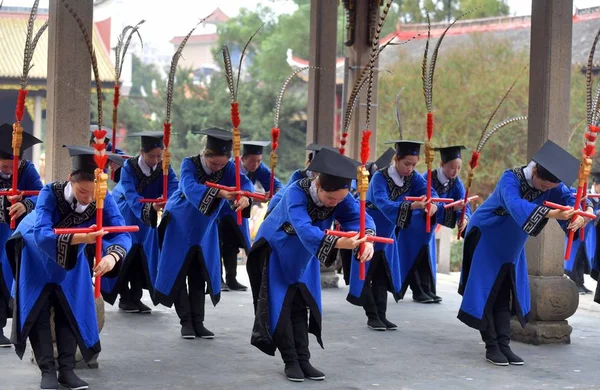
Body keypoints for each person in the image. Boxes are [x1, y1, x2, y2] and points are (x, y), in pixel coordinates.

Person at [5, 145, 131, 390]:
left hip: (71, 260)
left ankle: (67, 370)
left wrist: (112, 258)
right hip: (36, 256)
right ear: (70, 180)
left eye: (93, 194)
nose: (88, 199)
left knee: (70, 310)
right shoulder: (49, 193)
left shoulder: (103, 198)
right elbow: (41, 235)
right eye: (83, 192)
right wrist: (80, 239)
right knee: (38, 313)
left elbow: (121, 232)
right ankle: (47, 372)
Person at [247, 148, 375, 382]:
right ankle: (290, 361)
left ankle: (304, 359)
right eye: (330, 199)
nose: (333, 204)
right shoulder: (295, 193)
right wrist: (339, 241)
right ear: (318, 185)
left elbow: (358, 216)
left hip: (304, 252)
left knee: (301, 304)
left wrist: (366, 239)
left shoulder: (340, 197)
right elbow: (303, 228)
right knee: (282, 306)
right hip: (276, 249)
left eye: (339, 199)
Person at [458, 140, 590, 366]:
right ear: (536, 171)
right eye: (544, 186)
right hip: (487, 239)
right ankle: (492, 347)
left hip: (510, 246)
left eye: (550, 188)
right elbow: (514, 204)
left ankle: (504, 345)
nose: (545, 190)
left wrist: (582, 212)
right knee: (487, 294)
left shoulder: (550, 183)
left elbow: (570, 197)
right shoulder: (510, 178)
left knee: (504, 295)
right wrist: (551, 213)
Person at [154, 128, 253, 339]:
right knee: (180, 271)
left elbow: (244, 184)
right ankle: (186, 322)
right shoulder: (189, 163)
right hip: (180, 223)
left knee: (200, 273)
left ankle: (198, 321)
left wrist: (245, 197)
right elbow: (188, 187)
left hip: (205, 228)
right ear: (205, 154)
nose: (218, 167)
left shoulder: (229, 167)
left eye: (222, 164)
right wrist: (219, 192)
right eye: (214, 163)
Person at [347, 141, 438, 331]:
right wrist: (412, 205)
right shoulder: (379, 177)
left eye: (414, 164)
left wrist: (432, 202)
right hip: (369, 229)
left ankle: (382, 315)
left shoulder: (412, 177)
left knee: (382, 274)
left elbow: (429, 191)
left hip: (387, 233)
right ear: (396, 159)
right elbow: (383, 203)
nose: (410, 168)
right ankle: (372, 316)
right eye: (407, 164)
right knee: (367, 274)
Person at [101, 131, 179, 313]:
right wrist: (150, 207)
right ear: (142, 152)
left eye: (159, 156)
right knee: (126, 255)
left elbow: (174, 185)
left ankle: (135, 297)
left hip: (149, 217)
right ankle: (124, 297)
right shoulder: (129, 166)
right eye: (152, 156)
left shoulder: (164, 166)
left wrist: (167, 200)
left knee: (141, 257)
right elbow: (129, 193)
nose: (156, 160)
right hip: (127, 211)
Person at [410, 145, 473, 304]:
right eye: (452, 167)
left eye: (458, 167)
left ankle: (429, 290)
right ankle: (418, 291)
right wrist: (450, 207)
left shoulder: (456, 182)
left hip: (432, 224)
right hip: (417, 221)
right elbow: (434, 199)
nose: (455, 171)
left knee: (428, 256)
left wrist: (464, 217)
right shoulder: (427, 178)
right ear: (441, 164)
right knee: (418, 255)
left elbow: (464, 204)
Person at [0, 122, 43, 348]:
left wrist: (26, 204)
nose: (10, 170)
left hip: (15, 235)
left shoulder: (27, 169)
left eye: (12, 166)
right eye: (5, 166)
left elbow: (41, 195)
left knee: (13, 276)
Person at [218, 140, 283, 292]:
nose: (255, 164)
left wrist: (273, 194)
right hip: (220, 209)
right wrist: (257, 196)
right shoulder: (230, 166)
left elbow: (276, 185)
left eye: (259, 161)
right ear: (243, 158)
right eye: (252, 161)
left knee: (232, 245)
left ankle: (231, 278)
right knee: (218, 245)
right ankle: (218, 279)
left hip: (239, 210)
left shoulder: (260, 169)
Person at [340, 148, 394, 285]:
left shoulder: (386, 178)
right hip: (353, 213)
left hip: (371, 219)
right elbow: (351, 196)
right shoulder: (360, 173)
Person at [266, 143, 337, 215]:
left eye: (323, 171)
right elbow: (286, 197)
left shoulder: (332, 180)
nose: (319, 175)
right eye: (317, 170)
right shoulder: (299, 177)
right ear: (308, 163)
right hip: (282, 210)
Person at [564, 173, 600, 294]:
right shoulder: (586, 194)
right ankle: (574, 283)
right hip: (578, 232)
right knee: (575, 257)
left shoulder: (598, 198)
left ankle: (581, 283)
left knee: (582, 259)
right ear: (595, 184)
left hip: (589, 235)